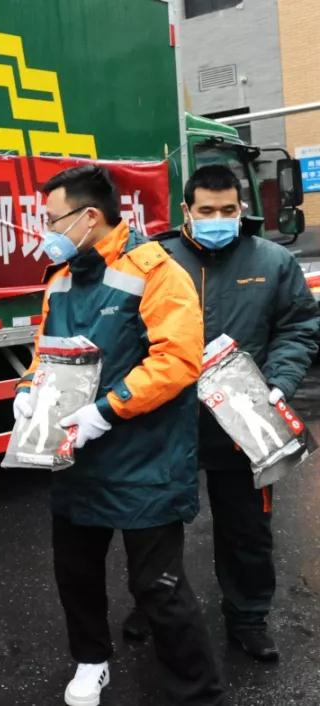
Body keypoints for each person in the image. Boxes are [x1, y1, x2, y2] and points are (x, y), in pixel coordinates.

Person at [14, 165, 224, 705]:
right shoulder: (62, 279)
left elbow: (177, 360)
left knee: (158, 587)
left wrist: (106, 411)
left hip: (145, 459)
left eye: (52, 219)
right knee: (75, 574)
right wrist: (29, 388)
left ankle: (197, 692)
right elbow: (46, 352)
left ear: (89, 217)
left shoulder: (155, 271)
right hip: (76, 458)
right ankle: (91, 661)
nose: (46, 230)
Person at [120, 165, 319, 661]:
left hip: (244, 419)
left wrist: (279, 382)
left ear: (241, 208)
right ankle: (153, 603)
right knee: (154, 525)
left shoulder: (272, 260)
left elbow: (297, 327)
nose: (218, 218)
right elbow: (124, 330)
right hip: (168, 418)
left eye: (227, 209)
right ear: (186, 210)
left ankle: (248, 617)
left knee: (246, 528)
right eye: (206, 210)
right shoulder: (155, 260)